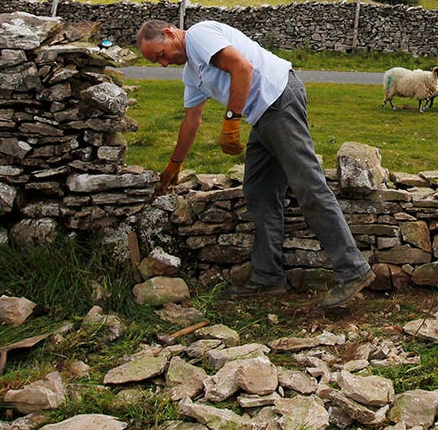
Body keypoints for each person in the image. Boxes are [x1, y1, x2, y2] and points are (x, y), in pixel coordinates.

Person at [136, 19, 373, 308]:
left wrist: (231, 121)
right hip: (262, 114)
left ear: (171, 34)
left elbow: (242, 68)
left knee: (307, 185)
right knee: (258, 191)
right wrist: (175, 164)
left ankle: (353, 270)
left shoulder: (198, 35)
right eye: (155, 61)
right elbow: (191, 120)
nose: (162, 64)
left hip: (279, 99)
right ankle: (268, 277)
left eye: (160, 54)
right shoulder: (191, 73)